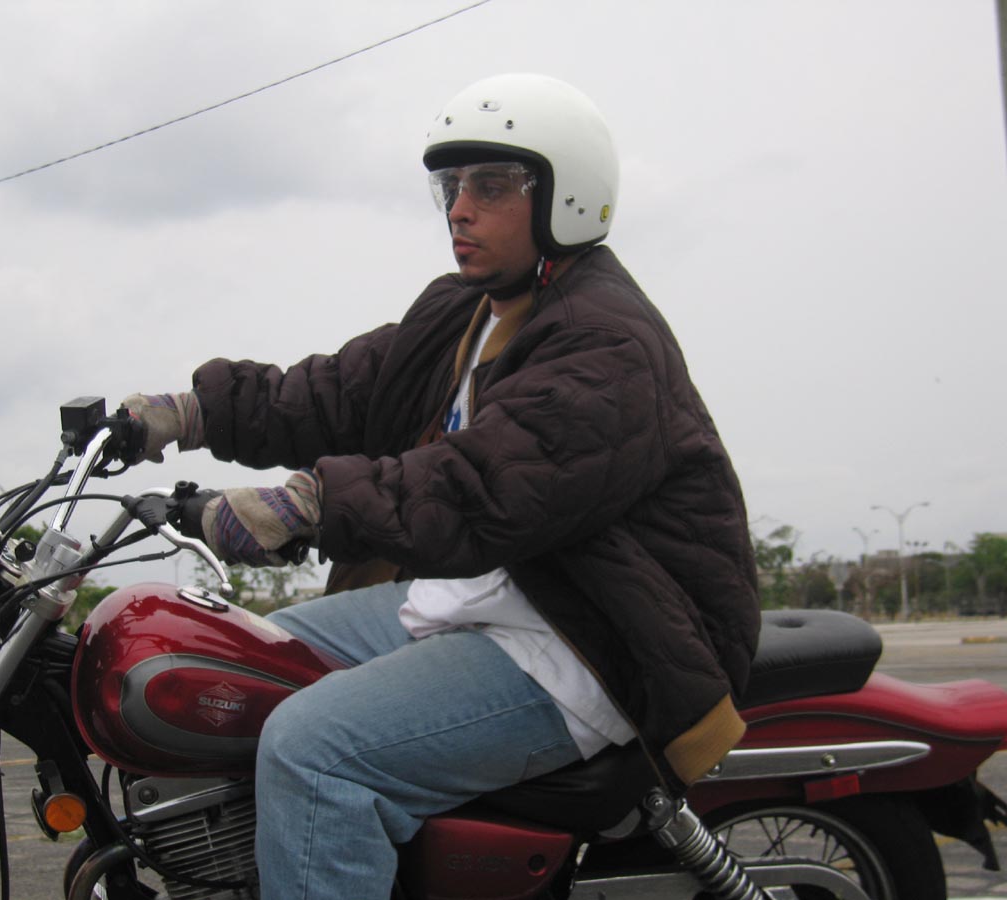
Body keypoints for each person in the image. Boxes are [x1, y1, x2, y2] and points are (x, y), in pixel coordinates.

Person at [123, 72, 760, 899]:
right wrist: (188, 414)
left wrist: (309, 503)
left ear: (566, 196)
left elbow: (484, 484)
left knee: (314, 749)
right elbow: (338, 391)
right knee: (242, 656)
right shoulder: (465, 310)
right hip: (492, 597)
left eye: (490, 186)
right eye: (451, 186)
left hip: (587, 637)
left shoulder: (606, 340)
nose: (459, 209)